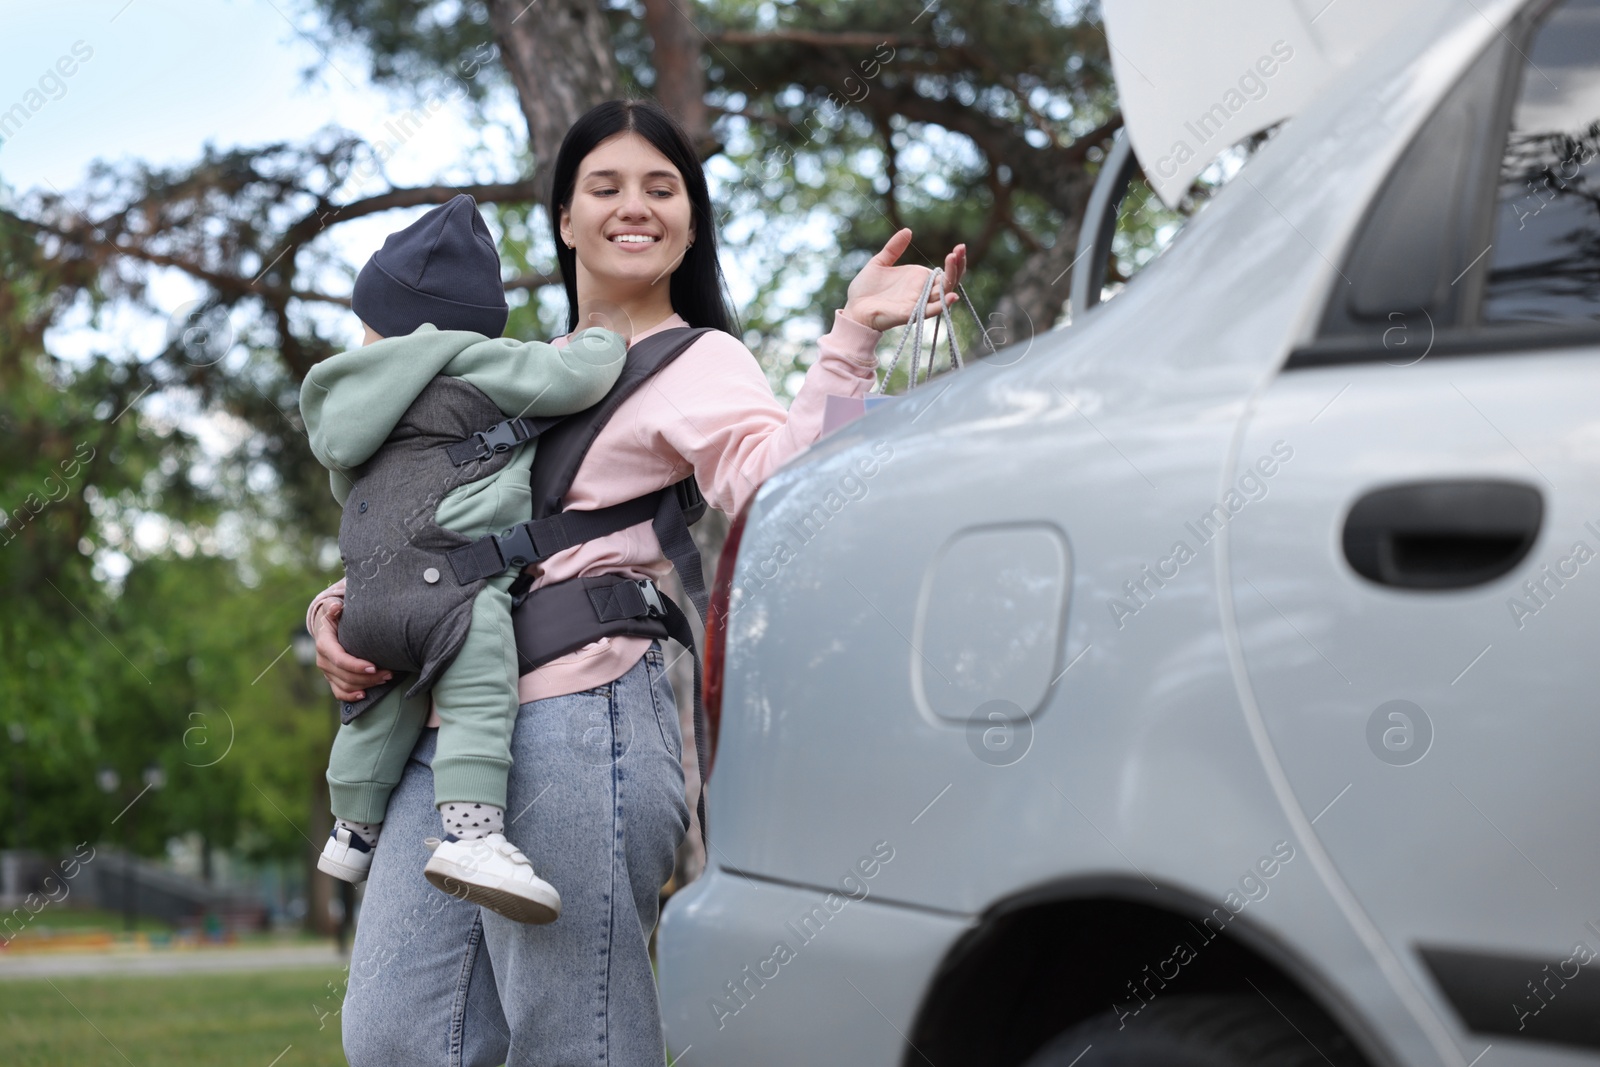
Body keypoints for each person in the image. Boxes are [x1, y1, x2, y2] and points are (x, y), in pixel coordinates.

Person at [308, 98, 967, 1066]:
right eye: (604, 185)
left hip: (578, 721)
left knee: (569, 1035)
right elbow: (422, 515)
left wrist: (851, 337)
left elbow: (774, 481)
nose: (636, 205)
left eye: (663, 187)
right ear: (564, 219)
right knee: (399, 1037)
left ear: (691, 220)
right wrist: (336, 611)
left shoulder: (697, 358)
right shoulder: (518, 370)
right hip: (434, 728)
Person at [300, 193, 627, 924]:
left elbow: (355, 491)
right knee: (480, 692)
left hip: (367, 595)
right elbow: (576, 378)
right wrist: (603, 335)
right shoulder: (472, 363)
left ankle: (352, 828)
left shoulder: (354, 399)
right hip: (452, 584)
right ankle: (472, 834)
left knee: (381, 704)